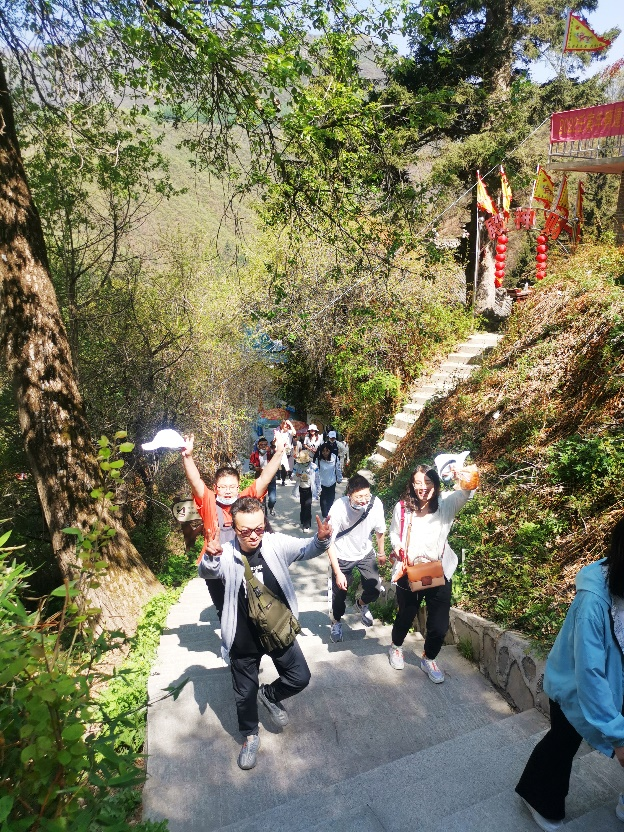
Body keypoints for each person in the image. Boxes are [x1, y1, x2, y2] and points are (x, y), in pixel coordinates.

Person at [198, 496, 332, 770]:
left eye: (259, 528)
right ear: (234, 528)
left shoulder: (274, 543)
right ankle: (250, 736)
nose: (253, 536)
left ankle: (270, 695)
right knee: (244, 694)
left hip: (277, 628)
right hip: (242, 636)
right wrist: (210, 557)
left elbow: (307, 549)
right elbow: (207, 572)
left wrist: (321, 539)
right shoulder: (226, 553)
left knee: (300, 677)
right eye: (245, 531)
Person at [515, 518, 624, 832]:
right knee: (562, 742)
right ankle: (537, 798)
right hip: (573, 686)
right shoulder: (593, 602)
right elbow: (589, 672)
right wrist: (618, 737)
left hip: (616, 680)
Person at [181, 432, 287, 616]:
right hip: (216, 565)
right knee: (224, 610)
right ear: (215, 488)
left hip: (244, 563)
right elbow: (195, 481)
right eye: (223, 487)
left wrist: (279, 452)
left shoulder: (246, 500)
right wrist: (188, 457)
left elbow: (264, 479)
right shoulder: (208, 501)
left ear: (238, 487)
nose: (228, 491)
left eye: (232, 487)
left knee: (248, 607)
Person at [387, 464, 475, 682]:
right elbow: (394, 533)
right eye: (418, 482)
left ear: (436, 484)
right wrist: (398, 547)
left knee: (439, 625)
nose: (423, 487)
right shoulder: (403, 508)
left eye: (428, 482)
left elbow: (467, 491)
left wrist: (462, 474)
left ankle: (429, 658)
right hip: (410, 571)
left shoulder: (445, 505)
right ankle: (396, 647)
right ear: (411, 484)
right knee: (406, 616)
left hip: (438, 570)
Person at [326, 474, 386, 643]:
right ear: (349, 494)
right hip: (342, 555)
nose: (364, 500)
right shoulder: (339, 508)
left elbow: (380, 530)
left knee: (375, 587)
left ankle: (361, 603)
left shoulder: (375, 504)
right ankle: (336, 622)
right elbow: (329, 543)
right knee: (339, 595)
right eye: (359, 496)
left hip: (365, 552)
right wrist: (338, 572)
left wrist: (381, 553)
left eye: (366, 495)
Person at [249, 436, 277, 516]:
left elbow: (276, 454)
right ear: (258, 446)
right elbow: (251, 466)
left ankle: (271, 506)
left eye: (265, 444)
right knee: (261, 499)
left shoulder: (270, 453)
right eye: (261, 445)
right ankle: (264, 516)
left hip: (271, 477)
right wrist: (256, 468)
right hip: (260, 478)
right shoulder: (254, 454)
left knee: (272, 498)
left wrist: (272, 445)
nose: (263, 446)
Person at [314, 441, 342, 519]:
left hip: (332, 482)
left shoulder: (334, 458)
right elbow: (315, 472)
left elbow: (338, 469)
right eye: (323, 451)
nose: (325, 453)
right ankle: (325, 515)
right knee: (323, 501)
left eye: (327, 451)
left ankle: (329, 515)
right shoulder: (318, 460)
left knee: (330, 500)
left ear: (330, 451)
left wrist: (339, 478)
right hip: (322, 483)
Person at [292, 449, 318, 532]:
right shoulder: (297, 466)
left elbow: (317, 478)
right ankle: (303, 519)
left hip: (310, 489)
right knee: (303, 505)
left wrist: (319, 489)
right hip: (301, 488)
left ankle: (307, 525)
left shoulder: (314, 467)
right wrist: (296, 476)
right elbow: (292, 477)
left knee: (308, 505)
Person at [276, 419, 295, 485]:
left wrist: (290, 424)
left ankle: (288, 477)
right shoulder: (279, 432)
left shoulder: (289, 432)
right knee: (283, 465)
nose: (286, 427)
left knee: (289, 465)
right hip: (282, 451)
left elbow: (294, 433)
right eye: (285, 425)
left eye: (287, 426)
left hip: (289, 450)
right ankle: (283, 479)